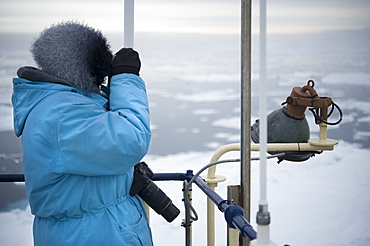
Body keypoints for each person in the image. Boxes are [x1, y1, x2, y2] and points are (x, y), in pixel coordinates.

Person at [12, 21, 153, 245]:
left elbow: (82, 166)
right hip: (91, 235)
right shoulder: (63, 115)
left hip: (91, 230)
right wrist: (127, 79)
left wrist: (123, 177)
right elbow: (130, 139)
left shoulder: (63, 104)